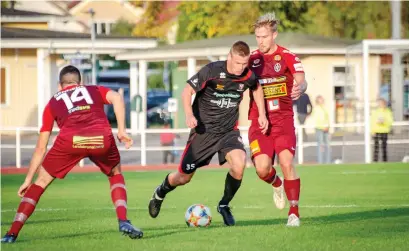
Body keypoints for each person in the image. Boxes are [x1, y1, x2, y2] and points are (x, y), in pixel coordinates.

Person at [1, 65, 143, 243]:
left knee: (41, 182)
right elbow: (117, 97)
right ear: (80, 82)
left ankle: (11, 234)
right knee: (115, 174)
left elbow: (41, 148)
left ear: (60, 85)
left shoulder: (52, 103)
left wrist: (28, 180)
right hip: (100, 138)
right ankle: (123, 220)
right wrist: (121, 130)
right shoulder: (93, 89)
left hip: (71, 141)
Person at [148, 41, 268, 226]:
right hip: (203, 132)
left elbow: (257, 88)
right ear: (229, 57)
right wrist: (189, 114)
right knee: (183, 177)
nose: (241, 68)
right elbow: (187, 92)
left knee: (239, 164)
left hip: (228, 131)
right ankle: (161, 191)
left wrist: (262, 114)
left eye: (245, 64)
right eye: (238, 63)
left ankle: (224, 204)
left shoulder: (247, 75)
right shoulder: (211, 71)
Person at [248, 12, 308, 227]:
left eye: (264, 36)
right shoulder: (252, 59)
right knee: (262, 169)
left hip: (283, 120)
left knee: (286, 162)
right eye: (257, 36)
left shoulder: (288, 56)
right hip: (258, 122)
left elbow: (301, 79)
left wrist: (300, 87)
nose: (260, 41)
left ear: (274, 34)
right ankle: (276, 183)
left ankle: (294, 212)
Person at [371, 98, 393, 162]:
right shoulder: (376, 111)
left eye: (382, 103)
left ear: (384, 103)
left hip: (384, 131)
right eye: (379, 103)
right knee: (376, 147)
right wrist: (372, 130)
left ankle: (385, 161)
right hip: (376, 131)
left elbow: (390, 121)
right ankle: (375, 161)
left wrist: (384, 122)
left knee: (384, 147)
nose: (380, 104)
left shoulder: (388, 111)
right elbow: (372, 121)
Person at [312, 95, 331, 164]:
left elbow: (327, 119)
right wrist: (323, 127)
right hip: (319, 129)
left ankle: (328, 162)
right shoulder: (316, 109)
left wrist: (328, 126)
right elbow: (318, 120)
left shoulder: (324, 108)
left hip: (326, 129)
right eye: (321, 99)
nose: (323, 100)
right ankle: (320, 162)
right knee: (320, 145)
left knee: (328, 145)